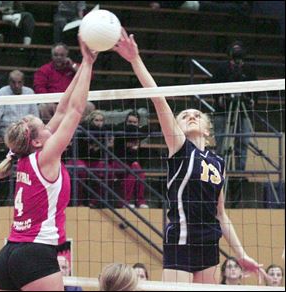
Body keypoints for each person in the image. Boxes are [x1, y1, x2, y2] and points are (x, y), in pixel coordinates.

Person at [114, 28, 266, 284]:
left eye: (197, 114)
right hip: (181, 240)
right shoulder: (180, 147)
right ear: (177, 127)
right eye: (185, 115)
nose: (191, 116)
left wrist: (241, 255)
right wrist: (134, 60)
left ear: (207, 129)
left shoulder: (218, 163)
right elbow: (159, 100)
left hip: (209, 243)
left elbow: (221, 214)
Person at [0, 35, 97, 291]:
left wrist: (84, 63)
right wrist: (90, 65)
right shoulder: (46, 156)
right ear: (37, 141)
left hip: (8, 256)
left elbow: (61, 110)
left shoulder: (26, 156)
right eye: (44, 126)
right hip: (34, 256)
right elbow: (74, 111)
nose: (50, 127)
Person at [0, 70, 39, 206]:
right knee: (0, 159)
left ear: (23, 82)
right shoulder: (2, 93)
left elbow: (36, 118)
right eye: (13, 82)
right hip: (7, 139)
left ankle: (29, 201)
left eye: (19, 82)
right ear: (9, 82)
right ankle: (1, 201)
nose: (16, 85)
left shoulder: (29, 93)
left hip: (27, 139)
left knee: (32, 168)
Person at [211, 40, 257, 172]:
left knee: (242, 143)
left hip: (243, 112)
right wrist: (219, 98)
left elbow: (255, 90)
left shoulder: (249, 70)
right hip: (223, 111)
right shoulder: (221, 69)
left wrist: (252, 100)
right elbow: (213, 86)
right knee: (221, 143)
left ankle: (240, 172)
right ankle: (220, 172)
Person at [113, 112, 148, 208]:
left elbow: (149, 129)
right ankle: (125, 202)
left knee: (141, 174)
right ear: (125, 122)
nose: (131, 124)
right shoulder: (120, 130)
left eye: (134, 122)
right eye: (129, 122)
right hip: (118, 162)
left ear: (138, 123)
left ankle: (140, 201)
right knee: (132, 173)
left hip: (132, 163)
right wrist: (136, 130)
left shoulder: (139, 132)